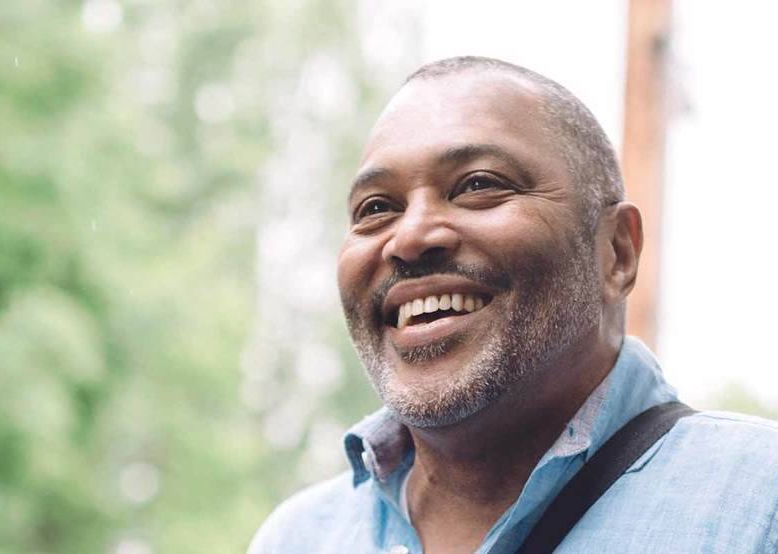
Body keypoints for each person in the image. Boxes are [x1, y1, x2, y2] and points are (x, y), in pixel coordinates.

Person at [248, 57, 778, 553]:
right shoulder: (300, 537)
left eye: (479, 185)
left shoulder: (759, 505)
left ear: (616, 252)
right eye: (377, 208)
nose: (409, 237)